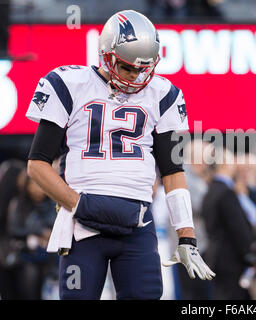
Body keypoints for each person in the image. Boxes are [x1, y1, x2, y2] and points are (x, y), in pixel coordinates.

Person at [25, 10, 214, 300]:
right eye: (127, 67)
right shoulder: (70, 84)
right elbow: (37, 165)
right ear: (106, 54)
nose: (136, 76)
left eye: (143, 68)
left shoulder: (164, 94)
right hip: (82, 226)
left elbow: (173, 172)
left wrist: (186, 236)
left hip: (137, 224)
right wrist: (77, 204)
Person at [201, 148, 256, 299]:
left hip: (215, 257)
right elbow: (238, 229)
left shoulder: (210, 190)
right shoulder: (226, 192)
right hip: (230, 261)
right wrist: (250, 255)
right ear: (224, 164)